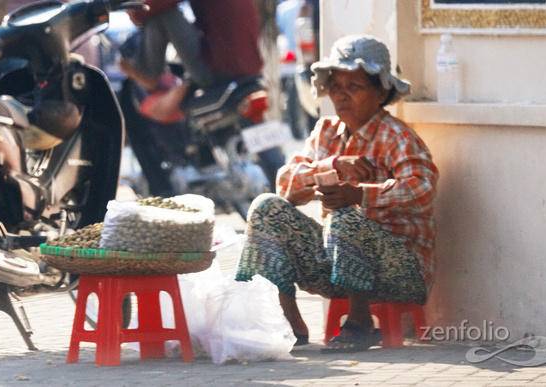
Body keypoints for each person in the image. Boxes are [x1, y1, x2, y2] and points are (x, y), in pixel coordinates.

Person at [235, 35, 439, 352]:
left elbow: (423, 188)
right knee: (266, 207)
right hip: (337, 269)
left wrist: (359, 196)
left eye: (354, 87)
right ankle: (290, 324)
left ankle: (360, 324)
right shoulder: (326, 131)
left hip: (400, 274)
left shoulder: (397, 135)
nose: (341, 96)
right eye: (336, 86)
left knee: (344, 216)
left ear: (381, 91)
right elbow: (285, 185)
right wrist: (331, 165)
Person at [119, 0, 264, 123]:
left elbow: (159, 4)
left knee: (164, 14)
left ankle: (147, 72)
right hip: (250, 68)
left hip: (219, 70)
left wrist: (138, 11)